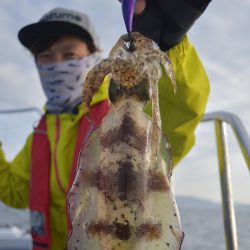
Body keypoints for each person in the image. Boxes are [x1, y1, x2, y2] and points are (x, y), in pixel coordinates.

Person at [0, 1, 212, 249]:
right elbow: (16, 192)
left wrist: (166, 42)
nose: (57, 64)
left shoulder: (128, 113)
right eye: (46, 57)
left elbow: (179, 112)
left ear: (94, 56)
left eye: (69, 54)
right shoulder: (41, 132)